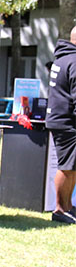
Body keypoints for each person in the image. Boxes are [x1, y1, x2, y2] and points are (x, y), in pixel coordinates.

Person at [45, 26, 76, 224]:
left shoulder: (64, 58)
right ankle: (60, 209)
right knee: (67, 166)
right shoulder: (74, 60)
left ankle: (68, 207)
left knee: (72, 165)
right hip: (68, 122)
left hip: (62, 120)